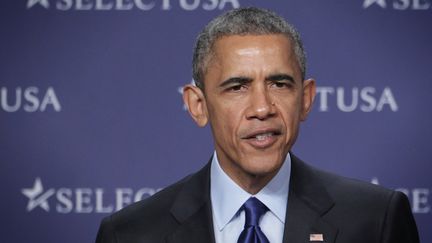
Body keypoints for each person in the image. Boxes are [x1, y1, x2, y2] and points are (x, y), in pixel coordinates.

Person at [96, 7, 419, 243]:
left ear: (305, 99)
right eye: (237, 87)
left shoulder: (375, 219)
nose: (262, 108)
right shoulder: (131, 233)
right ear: (198, 105)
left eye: (280, 84)